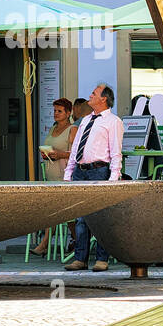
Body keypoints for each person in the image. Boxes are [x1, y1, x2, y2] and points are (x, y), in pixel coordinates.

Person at [63, 83, 124, 272]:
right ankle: (80, 258)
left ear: (103, 99)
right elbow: (75, 149)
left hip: (99, 171)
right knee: (81, 217)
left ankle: (101, 258)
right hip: (80, 171)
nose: (90, 95)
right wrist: (69, 172)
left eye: (94, 93)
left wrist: (114, 178)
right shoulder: (86, 120)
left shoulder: (113, 121)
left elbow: (116, 152)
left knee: (101, 217)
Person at [32, 98, 77, 256]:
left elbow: (76, 154)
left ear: (68, 113)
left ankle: (75, 239)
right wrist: (47, 153)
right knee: (54, 210)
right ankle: (73, 240)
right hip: (51, 173)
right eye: (54, 111)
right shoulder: (53, 128)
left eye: (59, 111)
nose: (56, 114)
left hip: (64, 174)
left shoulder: (72, 130)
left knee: (67, 213)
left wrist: (59, 154)